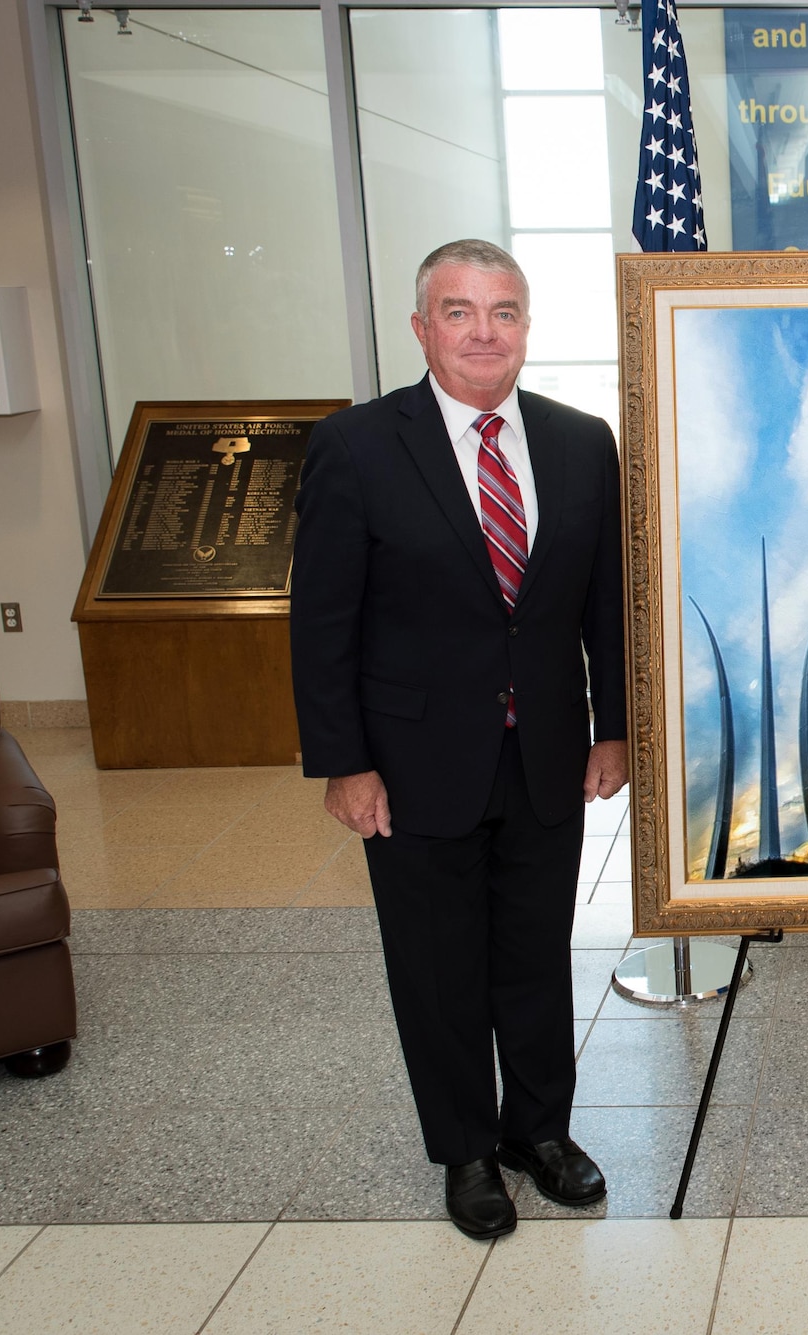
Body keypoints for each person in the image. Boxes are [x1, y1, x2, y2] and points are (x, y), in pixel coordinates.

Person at [291, 239, 628, 1239]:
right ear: (420, 327)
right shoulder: (356, 446)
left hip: (544, 756)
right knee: (437, 969)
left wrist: (612, 731)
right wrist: (343, 761)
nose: (484, 332)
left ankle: (538, 1132)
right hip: (411, 763)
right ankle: (465, 1150)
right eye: (460, 311)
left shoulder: (580, 441)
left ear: (527, 326)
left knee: (532, 951)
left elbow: (601, 603)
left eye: (504, 312)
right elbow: (323, 623)